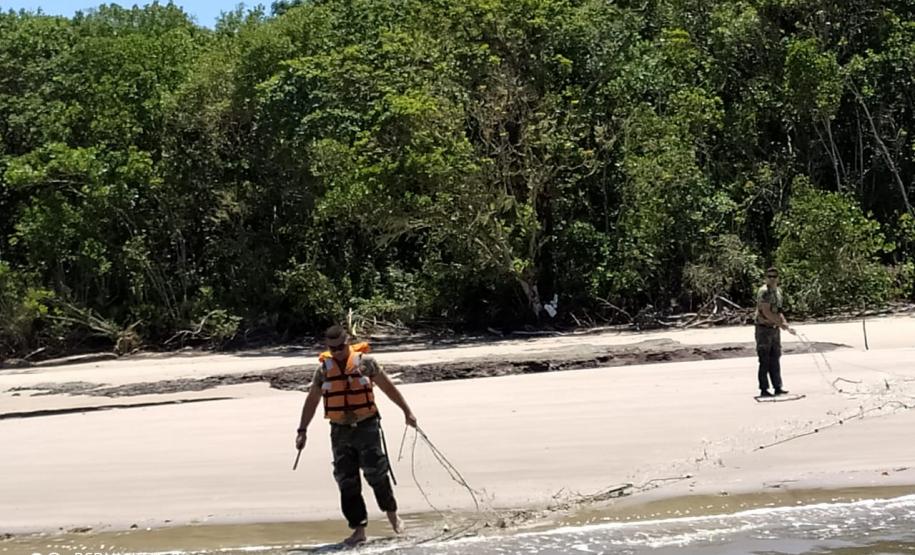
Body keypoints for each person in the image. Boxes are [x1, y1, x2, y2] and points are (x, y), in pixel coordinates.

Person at [295, 325, 417, 547]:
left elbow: (388, 388)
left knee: (377, 474)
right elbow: (312, 400)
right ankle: (359, 531)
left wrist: (407, 411)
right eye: (332, 349)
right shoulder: (323, 370)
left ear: (347, 341)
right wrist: (302, 430)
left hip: (366, 426)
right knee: (347, 481)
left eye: (341, 347)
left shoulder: (366, 363)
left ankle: (393, 517)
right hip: (340, 430)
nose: (337, 352)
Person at [755, 267, 795, 397]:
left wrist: (786, 324)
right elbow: (766, 312)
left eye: (774, 276)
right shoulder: (764, 292)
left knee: (775, 358)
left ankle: (777, 386)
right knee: (764, 359)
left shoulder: (778, 292)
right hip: (763, 329)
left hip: (774, 329)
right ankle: (764, 389)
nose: (772, 279)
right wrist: (780, 324)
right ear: (766, 277)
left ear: (778, 278)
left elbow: (778, 311)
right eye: (769, 276)